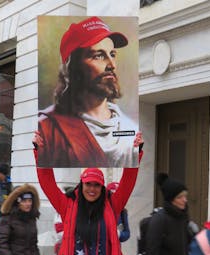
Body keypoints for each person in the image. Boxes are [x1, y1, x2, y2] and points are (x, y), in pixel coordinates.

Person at [37, 16, 139, 168]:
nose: (111, 65)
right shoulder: (47, 129)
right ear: (73, 67)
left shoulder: (130, 129)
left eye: (112, 54)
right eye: (99, 56)